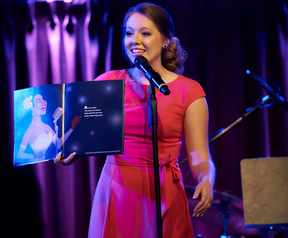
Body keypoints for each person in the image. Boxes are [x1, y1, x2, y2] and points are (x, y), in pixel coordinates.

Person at [55, 2, 215, 237]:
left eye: (145, 33)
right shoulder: (107, 83)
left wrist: (206, 179)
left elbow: (199, 155)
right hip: (117, 189)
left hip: (164, 191)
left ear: (166, 41)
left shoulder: (189, 91)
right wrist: (71, 151)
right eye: (129, 33)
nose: (135, 40)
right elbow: (83, 135)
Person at [16, 94, 81, 165]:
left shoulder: (47, 127)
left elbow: (58, 144)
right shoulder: (30, 130)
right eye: (39, 101)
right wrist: (34, 156)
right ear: (33, 108)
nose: (43, 102)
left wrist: (72, 128)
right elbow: (20, 154)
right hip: (39, 165)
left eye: (43, 99)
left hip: (53, 162)